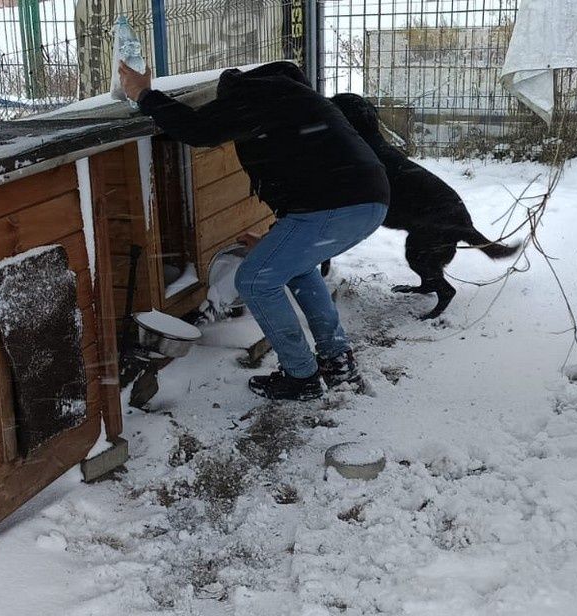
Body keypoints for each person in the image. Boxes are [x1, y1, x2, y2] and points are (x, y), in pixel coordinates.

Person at [119, 60, 390, 401]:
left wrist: (144, 94)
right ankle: (337, 362)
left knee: (254, 280)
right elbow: (310, 174)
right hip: (368, 200)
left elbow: (198, 129)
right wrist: (276, 239)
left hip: (335, 204)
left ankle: (301, 376)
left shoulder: (255, 94)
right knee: (298, 268)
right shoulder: (294, 100)